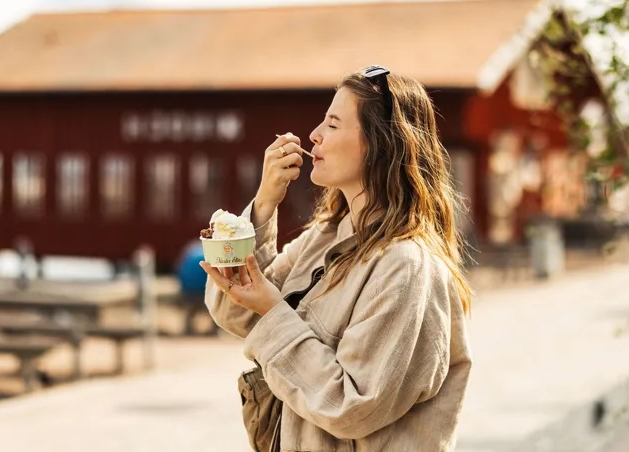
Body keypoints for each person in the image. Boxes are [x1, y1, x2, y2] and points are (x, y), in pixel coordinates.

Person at [202, 66, 472, 451]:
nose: (313, 135)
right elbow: (238, 314)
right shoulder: (327, 236)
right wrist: (263, 204)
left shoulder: (408, 266)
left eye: (332, 124)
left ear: (379, 143)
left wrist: (273, 309)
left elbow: (354, 406)